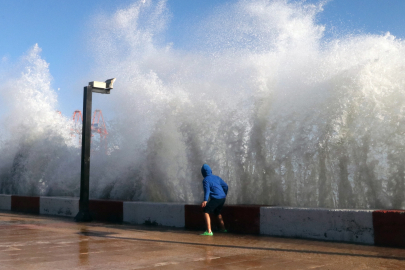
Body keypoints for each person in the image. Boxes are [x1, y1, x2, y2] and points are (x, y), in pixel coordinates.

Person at [200, 163, 228, 236]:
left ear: (202, 172)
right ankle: (223, 229)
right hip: (222, 198)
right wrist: (224, 194)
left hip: (216, 198)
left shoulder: (206, 180)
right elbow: (226, 186)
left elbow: (207, 191)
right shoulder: (216, 177)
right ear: (210, 171)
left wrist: (205, 200)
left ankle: (209, 231)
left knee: (205, 211)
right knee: (217, 212)